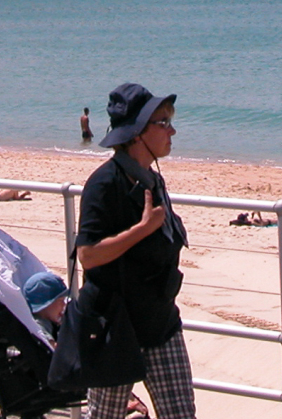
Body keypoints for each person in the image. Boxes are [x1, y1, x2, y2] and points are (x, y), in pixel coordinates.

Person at [75, 83, 193, 419]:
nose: (172, 130)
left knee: (181, 415)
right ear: (138, 133)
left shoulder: (153, 179)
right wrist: (141, 230)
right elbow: (87, 255)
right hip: (115, 328)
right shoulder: (104, 183)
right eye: (163, 123)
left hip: (160, 321)